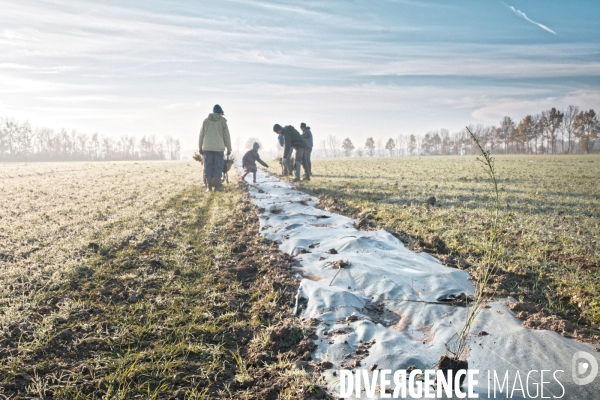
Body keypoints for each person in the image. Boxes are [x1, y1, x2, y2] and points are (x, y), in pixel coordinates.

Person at [199, 104, 232, 191]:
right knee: (218, 167)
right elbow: (226, 136)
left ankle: (208, 188)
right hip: (218, 149)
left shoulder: (205, 121)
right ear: (220, 113)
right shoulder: (222, 121)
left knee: (208, 167)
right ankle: (217, 187)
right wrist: (229, 149)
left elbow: (201, 135)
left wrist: (200, 148)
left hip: (207, 148)